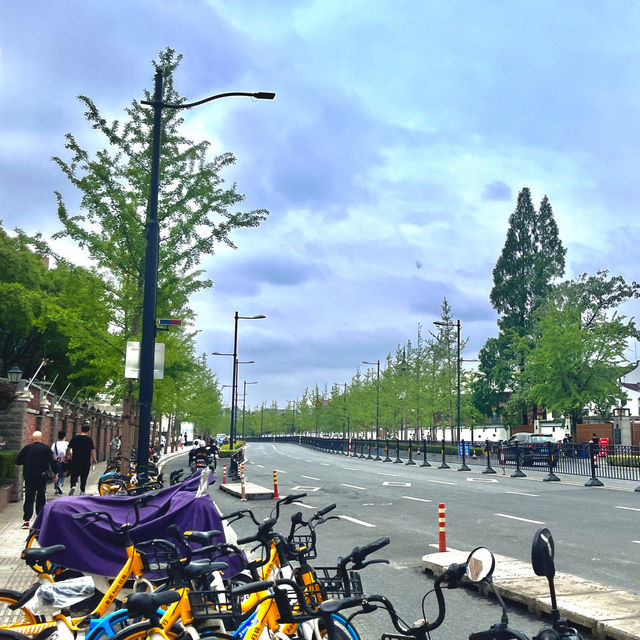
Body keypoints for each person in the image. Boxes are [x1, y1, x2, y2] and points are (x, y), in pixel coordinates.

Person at [15, 431, 57, 529]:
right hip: (41, 477)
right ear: (41, 438)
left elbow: (18, 461)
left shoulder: (27, 448)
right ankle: (40, 519)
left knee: (29, 497)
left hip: (29, 476)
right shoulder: (46, 449)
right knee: (41, 497)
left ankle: (26, 520)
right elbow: (53, 462)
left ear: (32, 438)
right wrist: (55, 474)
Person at [67, 424, 97, 495]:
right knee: (84, 476)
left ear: (81, 430)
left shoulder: (75, 438)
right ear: (88, 431)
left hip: (75, 460)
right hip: (85, 461)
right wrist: (94, 459)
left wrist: (68, 455)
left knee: (74, 474)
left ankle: (73, 485)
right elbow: (92, 450)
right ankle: (82, 491)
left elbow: (68, 448)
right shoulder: (89, 439)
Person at [51, 430, 69, 495]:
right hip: (65, 460)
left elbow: (52, 453)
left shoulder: (54, 444)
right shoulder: (67, 444)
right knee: (64, 473)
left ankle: (56, 488)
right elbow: (70, 452)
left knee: (56, 474)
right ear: (65, 436)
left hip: (56, 460)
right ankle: (61, 485)